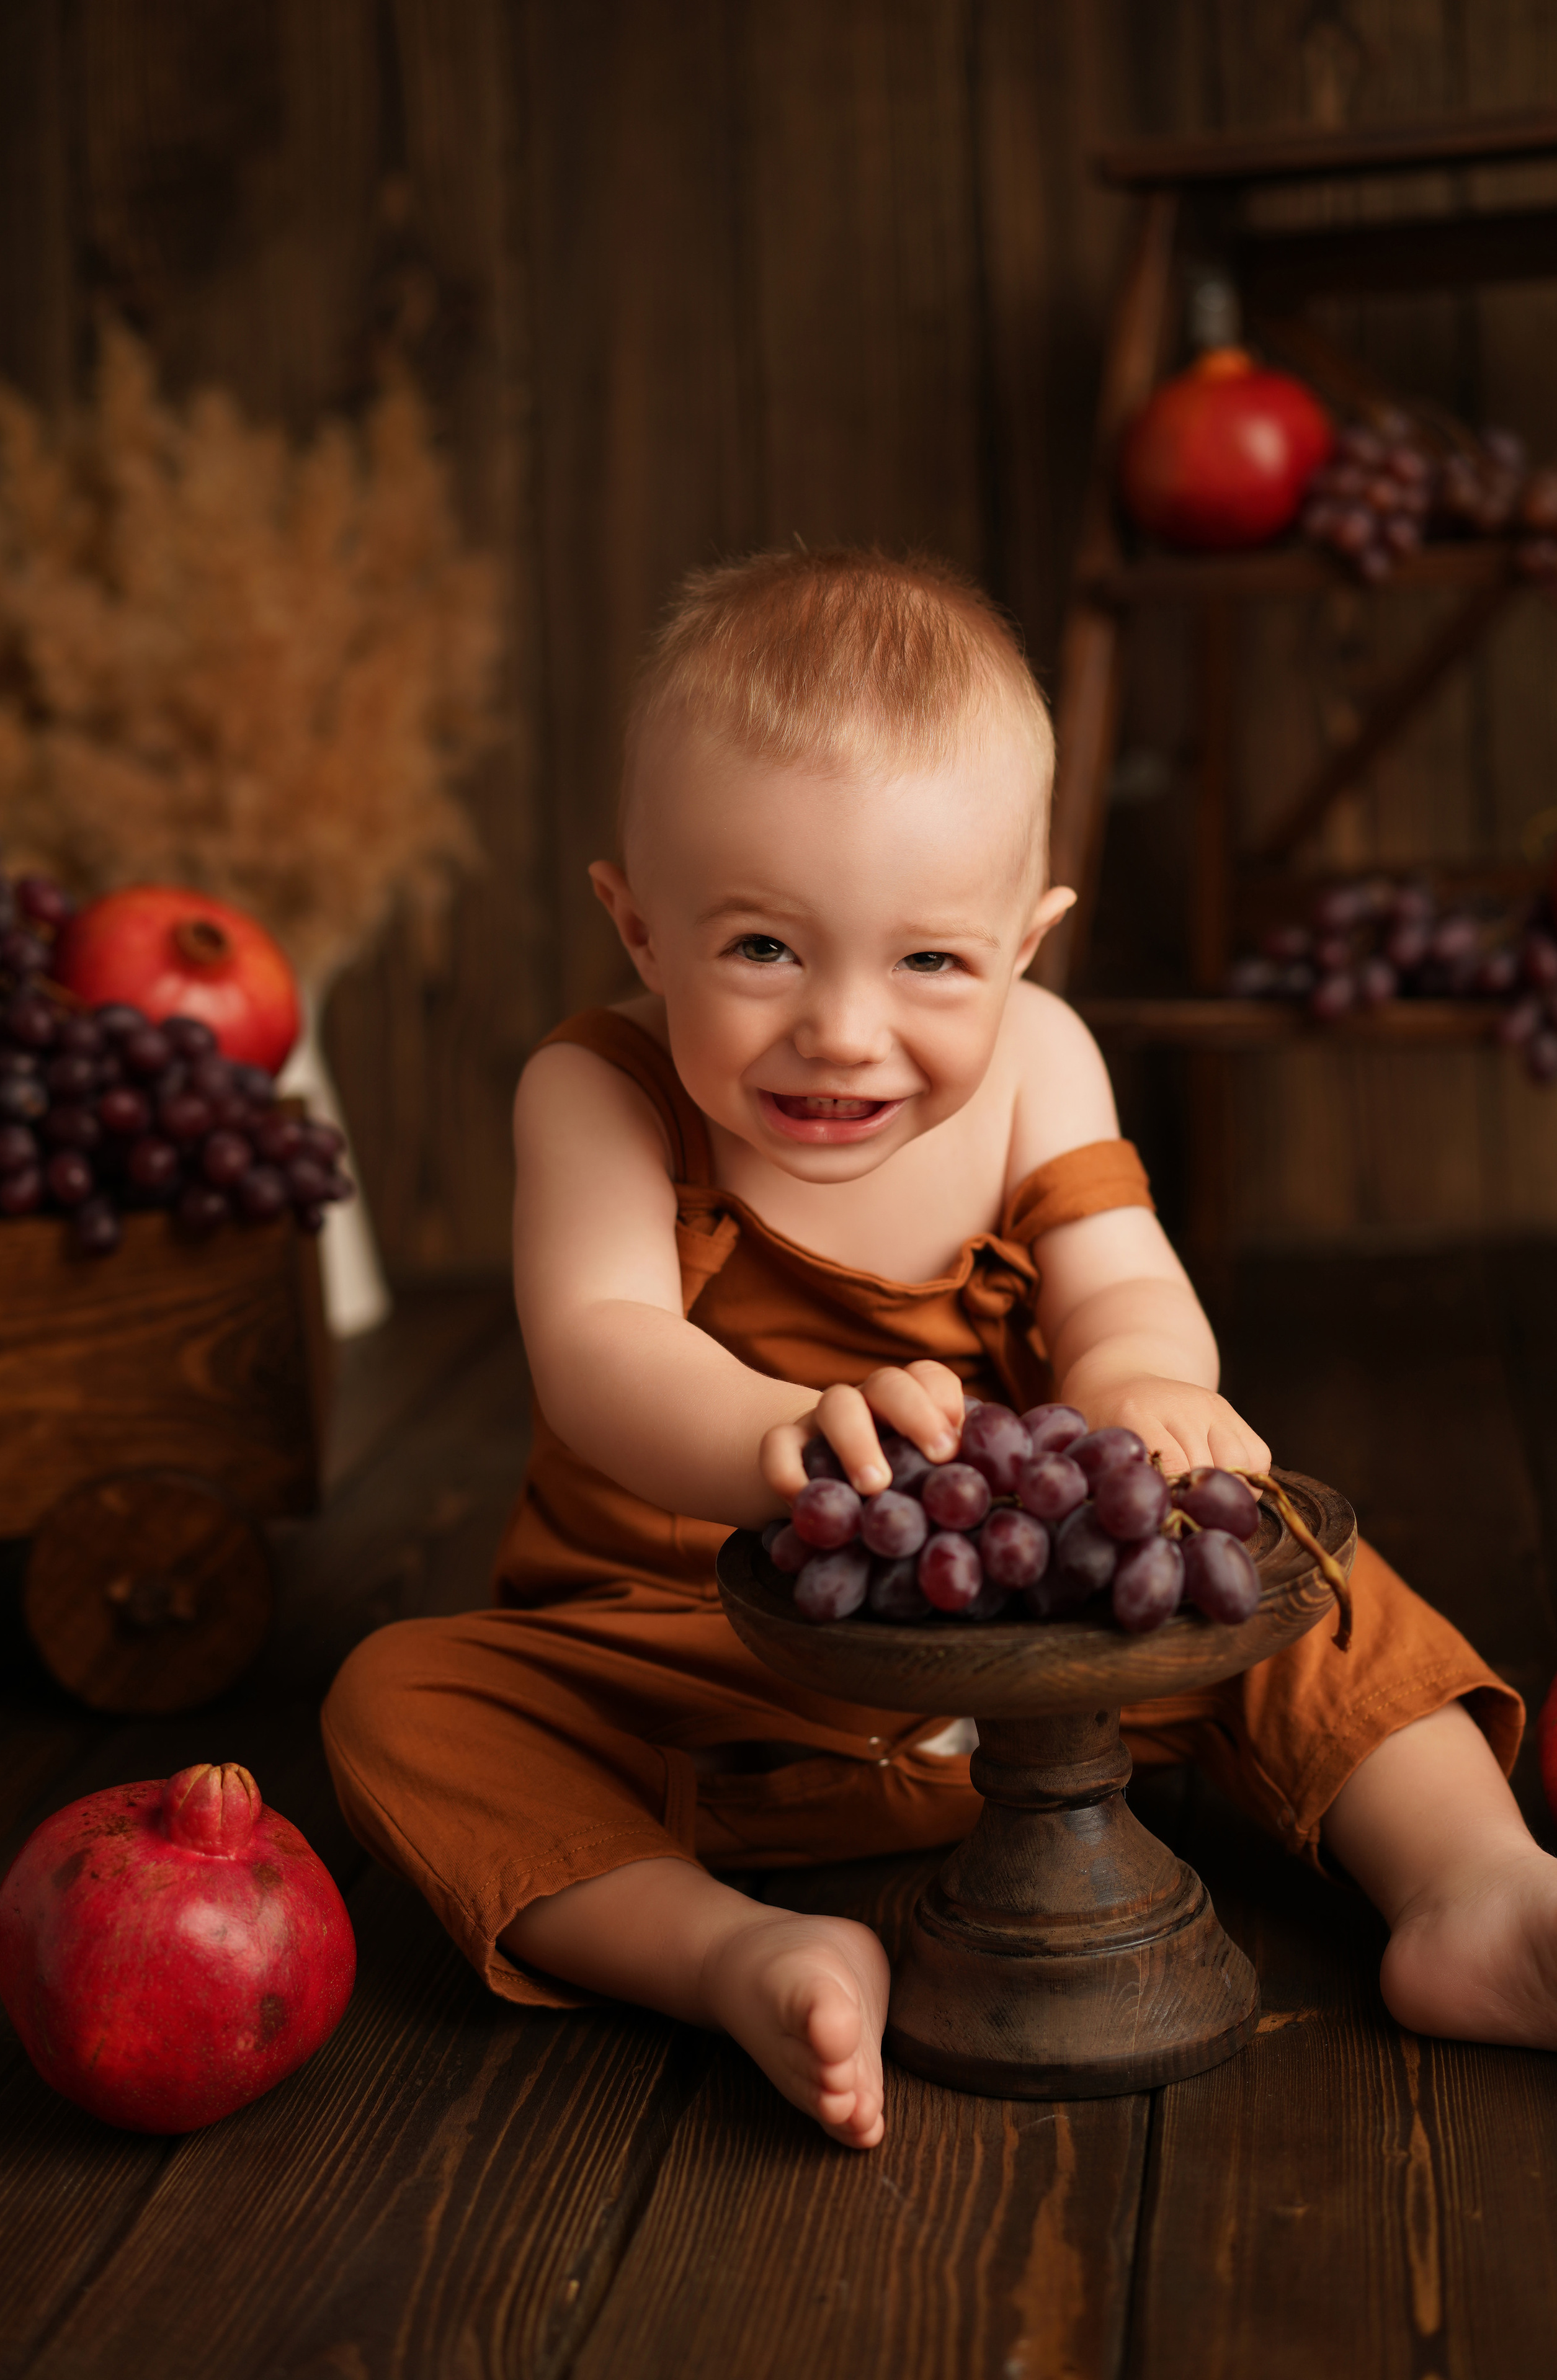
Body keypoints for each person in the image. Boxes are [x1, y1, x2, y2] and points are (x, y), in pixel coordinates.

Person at [324, 545, 1549, 2154]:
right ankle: (736, 1953)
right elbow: (600, 1346)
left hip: (1055, 1650)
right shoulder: (599, 1090)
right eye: (762, 947)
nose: (842, 1028)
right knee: (401, 1699)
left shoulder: (1046, 1061)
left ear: (1026, 944)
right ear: (637, 926)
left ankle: (1481, 1895)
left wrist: (1141, 1386)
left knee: (1313, 1579)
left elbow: (1119, 1281)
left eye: (930, 962)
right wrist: (778, 1435)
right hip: (702, 1661)